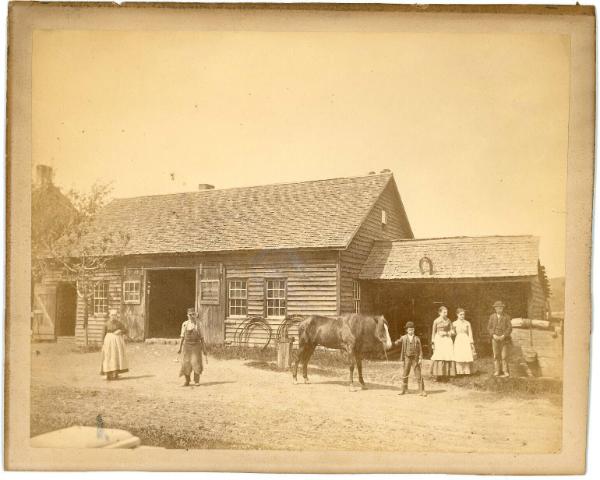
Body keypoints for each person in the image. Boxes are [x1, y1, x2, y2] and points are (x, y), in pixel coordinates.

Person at [395, 321, 426, 396]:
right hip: (407, 358)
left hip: (415, 358)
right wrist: (395, 342)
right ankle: (404, 390)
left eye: (412, 329)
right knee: (405, 373)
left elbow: (420, 349)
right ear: (407, 330)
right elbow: (398, 342)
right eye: (409, 330)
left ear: (414, 330)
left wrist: (420, 358)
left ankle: (422, 390)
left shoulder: (417, 338)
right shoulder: (404, 337)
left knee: (418, 374)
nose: (411, 331)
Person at [178, 308, 208, 386]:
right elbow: (182, 337)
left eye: (193, 314)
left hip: (196, 346)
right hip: (187, 346)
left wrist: (204, 349)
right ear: (187, 315)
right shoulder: (184, 324)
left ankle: (196, 381)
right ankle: (187, 381)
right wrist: (180, 348)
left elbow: (202, 338)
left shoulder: (199, 324)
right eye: (190, 315)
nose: (191, 316)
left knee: (196, 362)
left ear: (195, 315)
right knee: (186, 363)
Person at [100, 308, 129, 381]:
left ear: (117, 316)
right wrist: (102, 344)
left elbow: (126, 330)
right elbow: (103, 334)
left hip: (117, 343)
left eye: (115, 315)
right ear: (110, 315)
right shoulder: (106, 324)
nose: (113, 316)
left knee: (116, 357)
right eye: (112, 315)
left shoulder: (119, 323)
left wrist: (120, 331)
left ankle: (115, 373)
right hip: (108, 342)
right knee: (108, 357)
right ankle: (108, 374)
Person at [430, 306, 456, 380]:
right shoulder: (436, 321)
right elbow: (433, 332)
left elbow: (453, 331)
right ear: (439, 313)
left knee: (447, 355)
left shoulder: (448, 320)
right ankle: (438, 375)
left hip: (447, 339)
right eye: (444, 312)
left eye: (447, 312)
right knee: (439, 356)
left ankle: (446, 374)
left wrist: (447, 333)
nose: (446, 314)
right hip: (439, 339)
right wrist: (433, 342)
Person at [487, 300, 512, 377]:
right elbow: (489, 327)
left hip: (504, 339)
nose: (499, 309)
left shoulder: (506, 317)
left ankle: (505, 371)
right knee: (496, 355)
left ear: (503, 308)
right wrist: (493, 335)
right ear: (495, 309)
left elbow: (509, 328)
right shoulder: (492, 317)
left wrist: (504, 335)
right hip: (494, 338)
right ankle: (497, 370)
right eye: (497, 308)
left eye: (501, 308)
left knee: (504, 356)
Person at [452, 308, 475, 375]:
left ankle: (466, 371)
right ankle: (459, 371)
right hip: (458, 339)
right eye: (460, 314)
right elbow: (453, 333)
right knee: (459, 354)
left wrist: (471, 342)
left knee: (466, 354)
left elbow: (470, 333)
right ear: (457, 315)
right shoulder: (454, 323)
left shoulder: (467, 323)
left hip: (465, 339)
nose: (462, 316)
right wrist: (452, 332)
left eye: (463, 314)